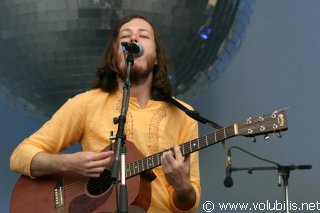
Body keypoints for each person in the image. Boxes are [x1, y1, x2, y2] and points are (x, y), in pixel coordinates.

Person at [10, 14, 201, 212]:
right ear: (114, 56)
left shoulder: (184, 116)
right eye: (125, 36)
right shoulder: (87, 103)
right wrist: (68, 163)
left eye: (143, 36)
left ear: (157, 58)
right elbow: (20, 156)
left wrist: (183, 187)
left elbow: (189, 205)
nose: (133, 39)